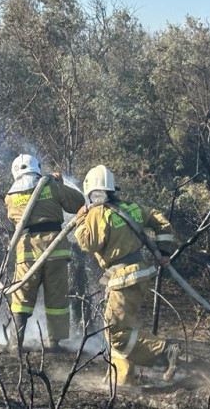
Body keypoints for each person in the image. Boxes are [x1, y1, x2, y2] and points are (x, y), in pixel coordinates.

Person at [74, 164, 180, 385]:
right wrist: (164, 251)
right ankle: (123, 376)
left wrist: (80, 220)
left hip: (124, 278)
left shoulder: (98, 212)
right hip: (139, 274)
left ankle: (165, 351)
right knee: (120, 328)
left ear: (91, 193)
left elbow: (88, 243)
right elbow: (159, 220)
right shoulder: (132, 208)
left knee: (115, 334)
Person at [4, 154, 85, 352]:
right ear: (37, 167)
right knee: (56, 296)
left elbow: (13, 219)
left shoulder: (10, 197)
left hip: (27, 251)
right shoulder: (51, 186)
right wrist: (59, 183)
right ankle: (54, 343)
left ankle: (15, 343)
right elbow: (78, 203)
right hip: (55, 249)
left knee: (21, 296)